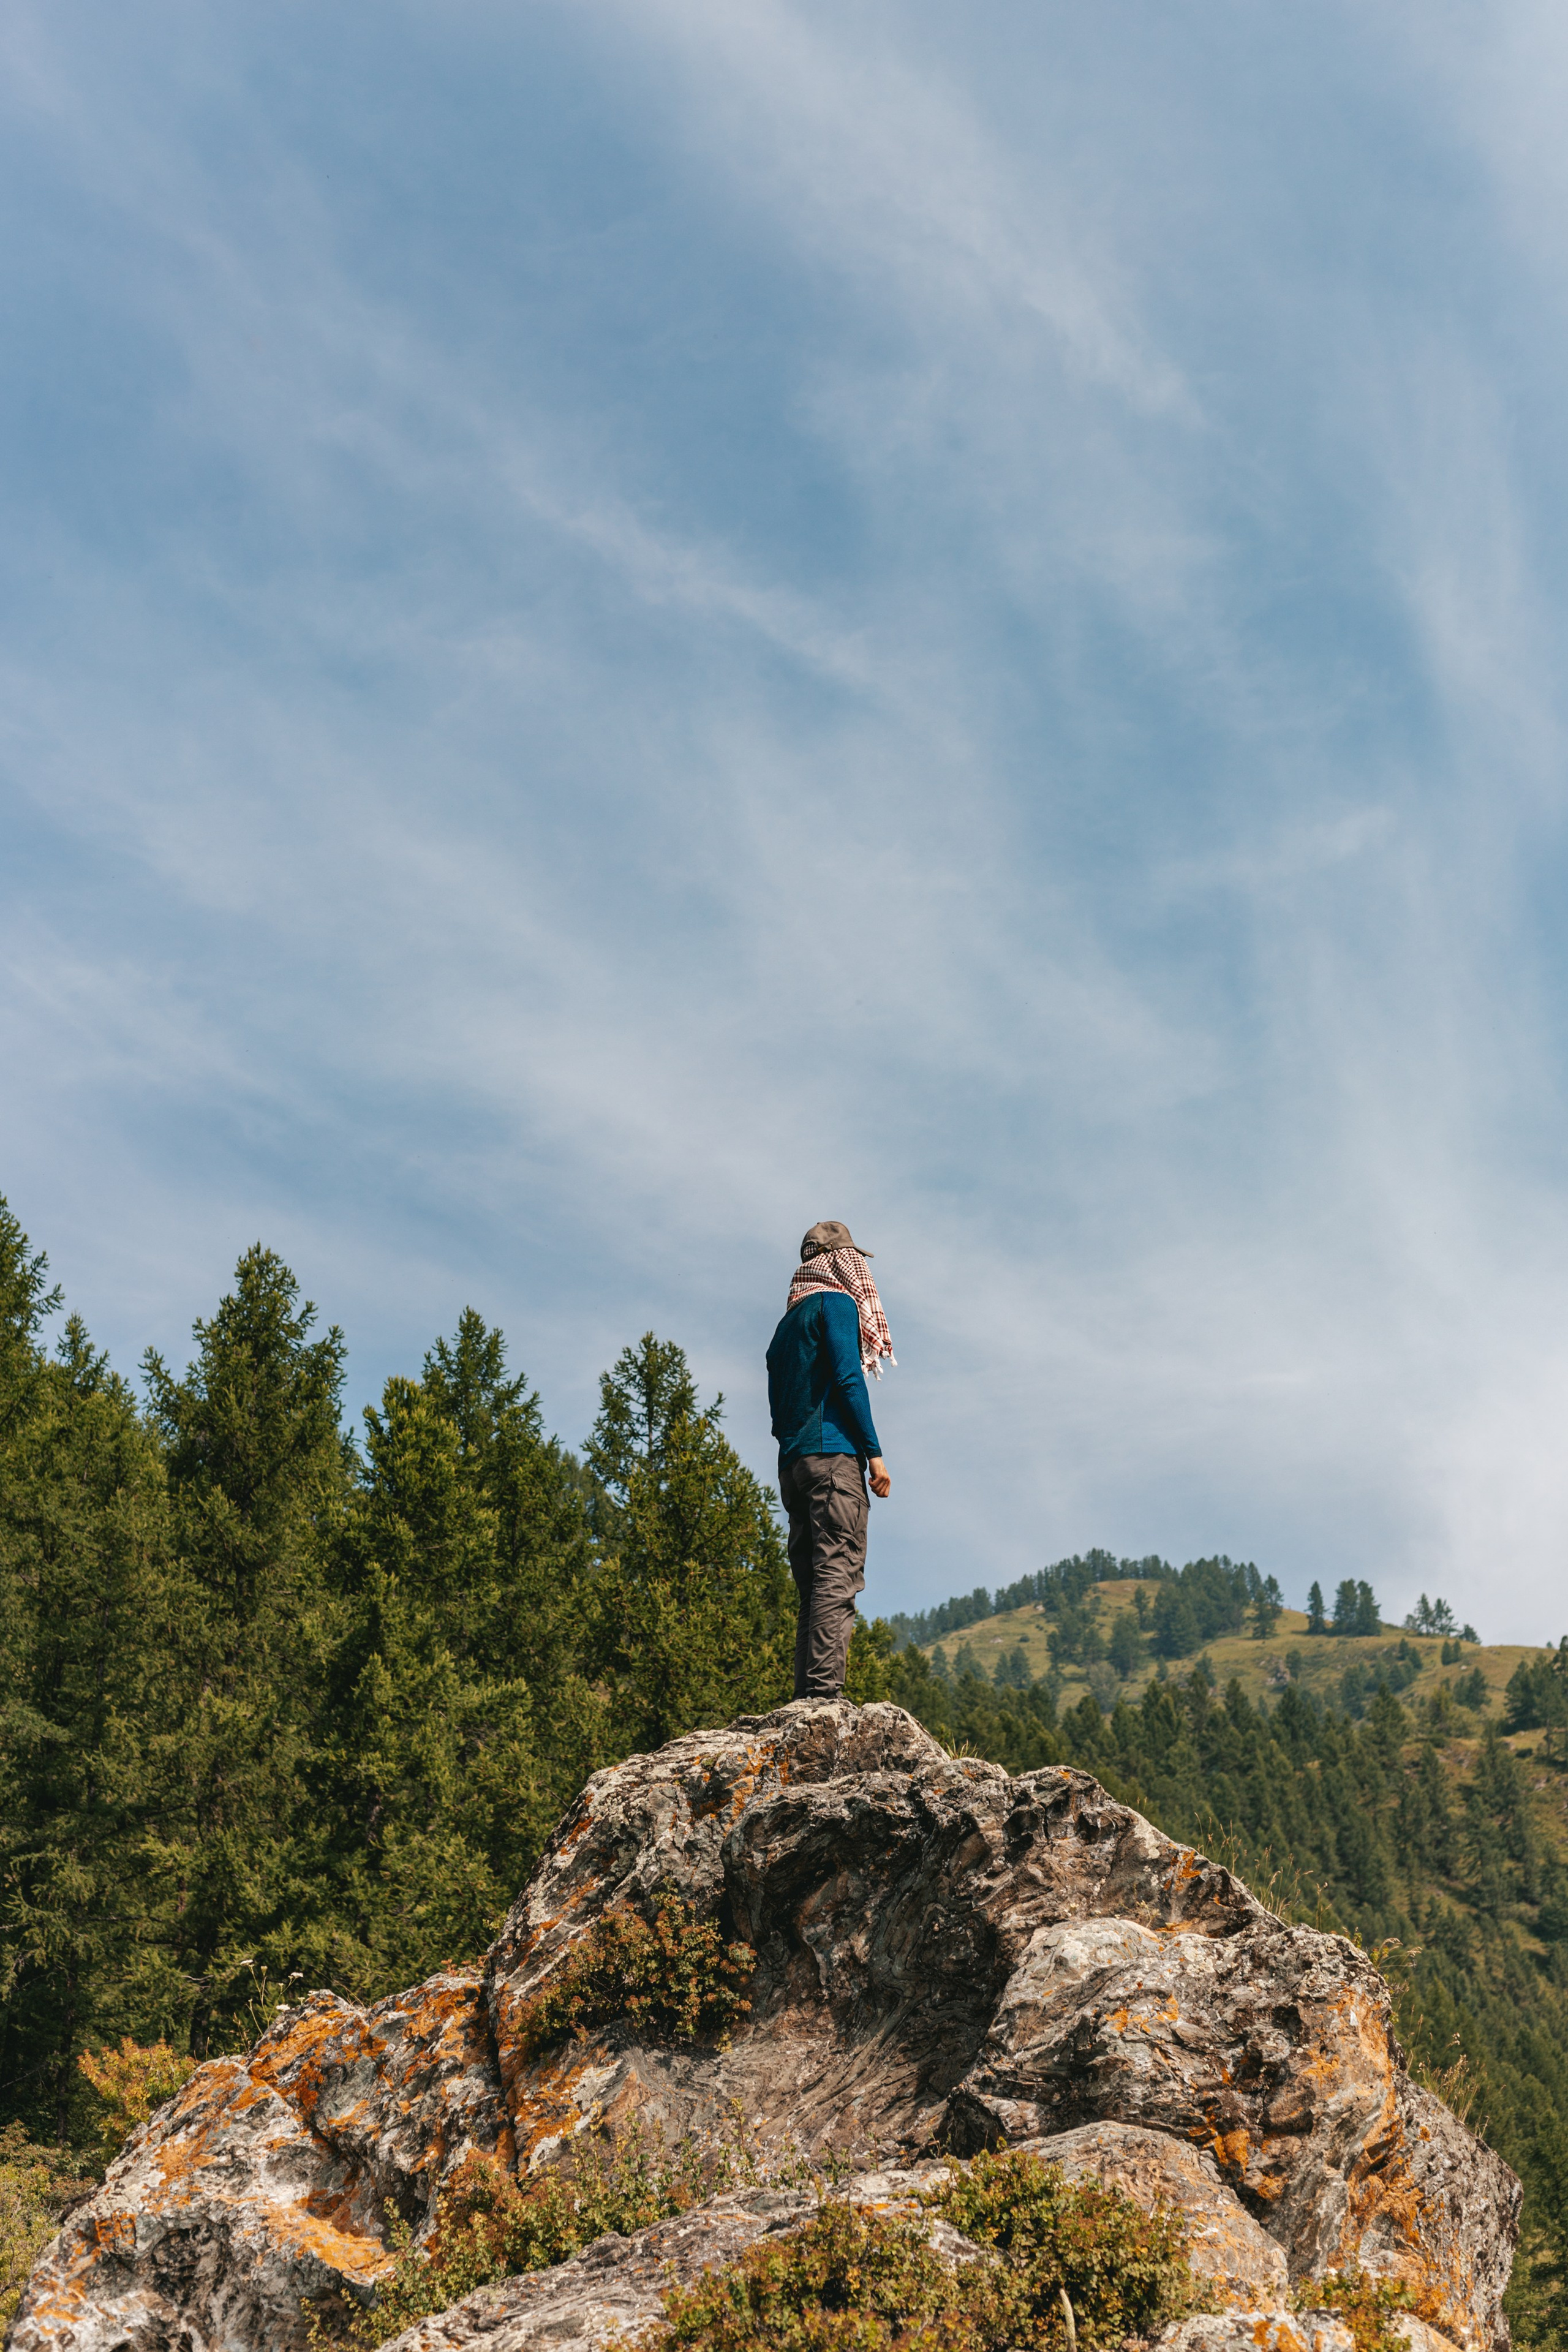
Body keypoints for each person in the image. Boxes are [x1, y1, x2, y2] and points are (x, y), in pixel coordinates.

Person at [765, 1220, 895, 1700]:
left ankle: (806, 1696)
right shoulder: (836, 1303)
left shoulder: (784, 1328)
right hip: (834, 1458)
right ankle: (823, 1698)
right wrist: (873, 1454)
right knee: (837, 1573)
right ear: (842, 1262)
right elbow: (847, 1379)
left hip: (792, 1464)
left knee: (812, 1584)